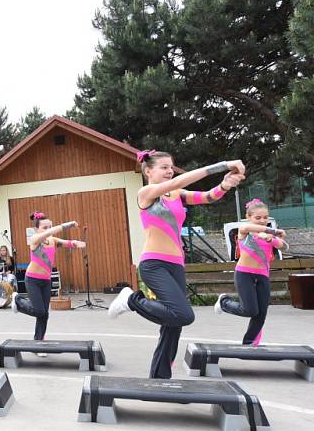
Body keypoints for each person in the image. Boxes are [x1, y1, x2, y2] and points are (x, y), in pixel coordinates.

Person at [108, 150, 245, 378]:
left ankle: (160, 376)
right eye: (164, 167)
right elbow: (183, 179)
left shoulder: (177, 194)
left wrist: (225, 184)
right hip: (154, 264)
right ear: (148, 171)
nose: (170, 171)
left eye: (171, 167)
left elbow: (208, 197)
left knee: (173, 325)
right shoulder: (146, 193)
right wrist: (223, 164)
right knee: (183, 314)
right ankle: (131, 299)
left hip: (176, 266)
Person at [214, 199, 288, 345]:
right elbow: (249, 229)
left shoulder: (270, 237)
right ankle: (224, 302)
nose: (262, 220)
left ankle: (250, 342)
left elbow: (285, 247)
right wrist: (270, 232)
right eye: (258, 218)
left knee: (261, 313)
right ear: (248, 217)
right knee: (250, 310)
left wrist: (273, 239)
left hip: (262, 276)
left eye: (265, 218)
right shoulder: (244, 231)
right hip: (244, 274)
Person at [11, 213, 84, 342]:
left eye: (50, 226)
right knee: (39, 311)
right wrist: (68, 224)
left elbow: (65, 243)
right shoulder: (35, 239)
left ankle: (39, 341)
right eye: (45, 227)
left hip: (46, 281)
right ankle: (18, 300)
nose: (49, 230)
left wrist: (75, 243)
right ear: (37, 229)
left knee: (44, 314)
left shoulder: (52, 240)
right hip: (32, 280)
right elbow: (51, 232)